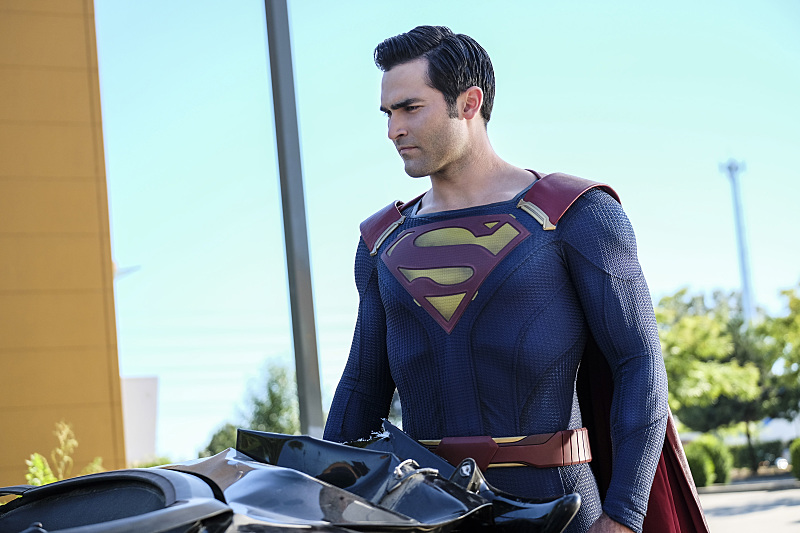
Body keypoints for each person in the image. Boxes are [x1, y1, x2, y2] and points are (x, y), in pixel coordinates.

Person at [324, 26, 703, 533]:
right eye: (388, 113)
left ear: (469, 103)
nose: (394, 129)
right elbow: (362, 386)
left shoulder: (575, 215)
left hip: (563, 510)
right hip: (425, 513)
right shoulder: (381, 241)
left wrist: (625, 514)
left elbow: (638, 363)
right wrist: (319, 501)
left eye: (410, 108)